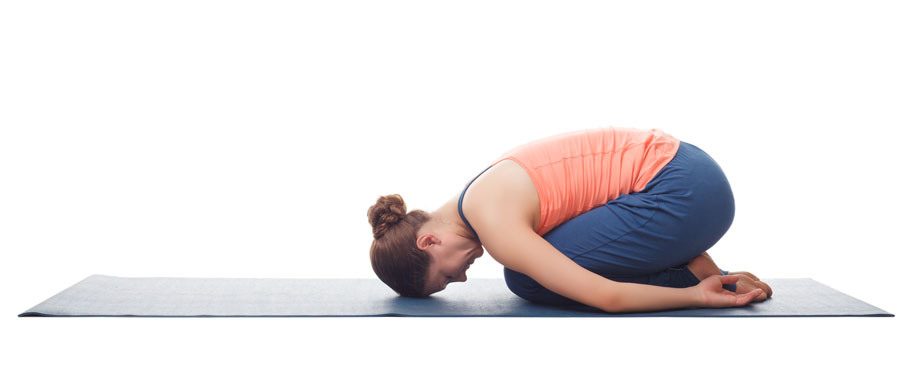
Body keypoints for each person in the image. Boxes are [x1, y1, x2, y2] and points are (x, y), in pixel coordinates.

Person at [367, 126, 773, 313]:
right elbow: (602, 210)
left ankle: (700, 279)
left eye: (446, 278)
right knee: (540, 263)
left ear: (428, 243)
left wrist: (695, 296)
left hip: (685, 191)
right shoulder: (480, 190)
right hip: (693, 171)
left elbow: (607, 298)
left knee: (524, 278)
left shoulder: (493, 223)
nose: (463, 279)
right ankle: (695, 263)